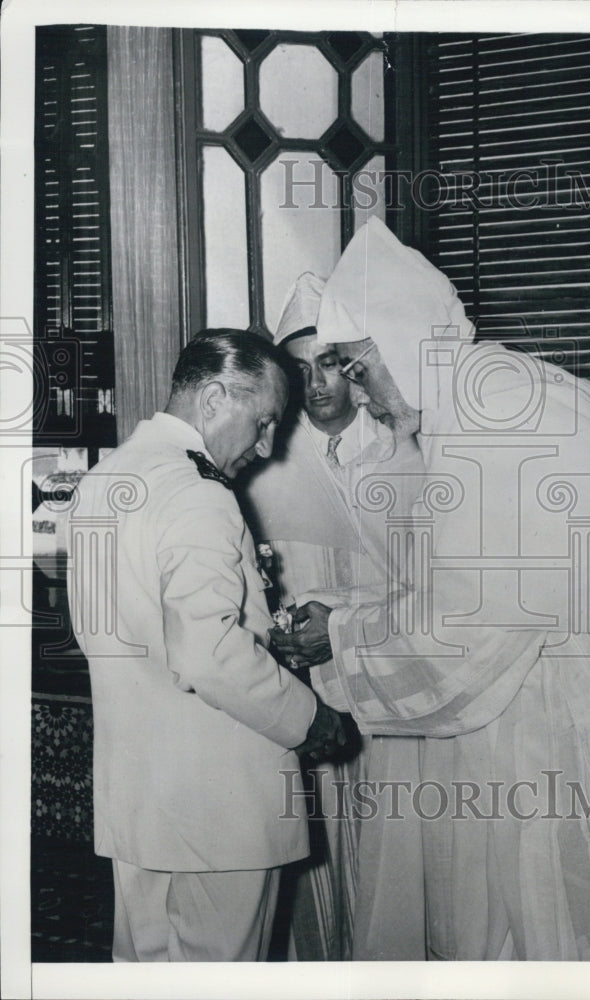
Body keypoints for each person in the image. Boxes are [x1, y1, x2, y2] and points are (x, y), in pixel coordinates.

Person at [272, 218, 590, 961]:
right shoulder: (510, 387)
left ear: (404, 338)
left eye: (356, 368)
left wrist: (340, 635)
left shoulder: (488, 423)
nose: (363, 395)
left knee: (558, 924)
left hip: (574, 718)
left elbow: (463, 633)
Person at [68, 330, 345, 962]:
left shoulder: (105, 480)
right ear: (216, 397)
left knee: (143, 970)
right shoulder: (198, 492)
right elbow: (207, 652)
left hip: (140, 795)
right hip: (221, 805)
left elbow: (116, 631)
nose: (267, 446)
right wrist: (309, 720)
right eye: (265, 422)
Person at [242, 273, 426, 960]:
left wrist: (347, 626)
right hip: (302, 694)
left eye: (327, 363)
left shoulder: (402, 450)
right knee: (308, 853)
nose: (315, 383)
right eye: (297, 369)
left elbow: (432, 586)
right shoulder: (261, 462)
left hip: (387, 686)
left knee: (388, 855)